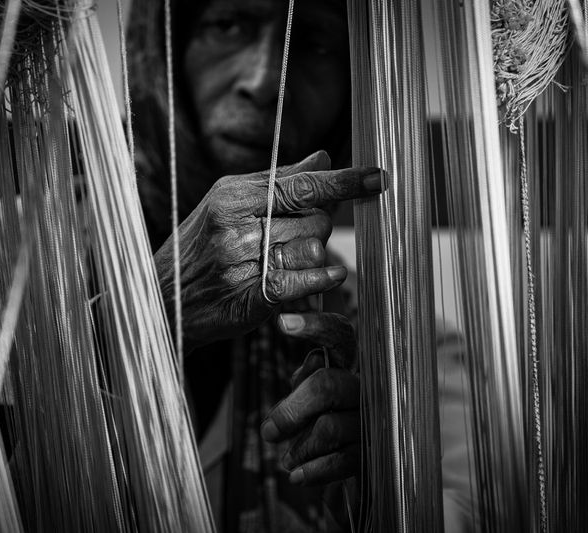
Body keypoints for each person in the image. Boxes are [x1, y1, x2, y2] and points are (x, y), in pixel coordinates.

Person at [125, 1, 474, 532]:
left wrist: (391, 482)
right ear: (168, 54)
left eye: (314, 45)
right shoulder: (3, 261)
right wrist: (148, 314)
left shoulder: (401, 344)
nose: (267, 81)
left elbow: (469, 510)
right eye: (228, 24)